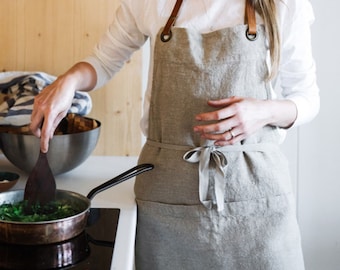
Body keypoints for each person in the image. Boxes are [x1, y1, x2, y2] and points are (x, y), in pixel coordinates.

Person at [30, 0, 320, 269]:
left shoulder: (283, 4)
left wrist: (263, 112)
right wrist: (69, 81)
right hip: (166, 199)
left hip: (256, 197)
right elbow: (103, 63)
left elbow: (308, 99)